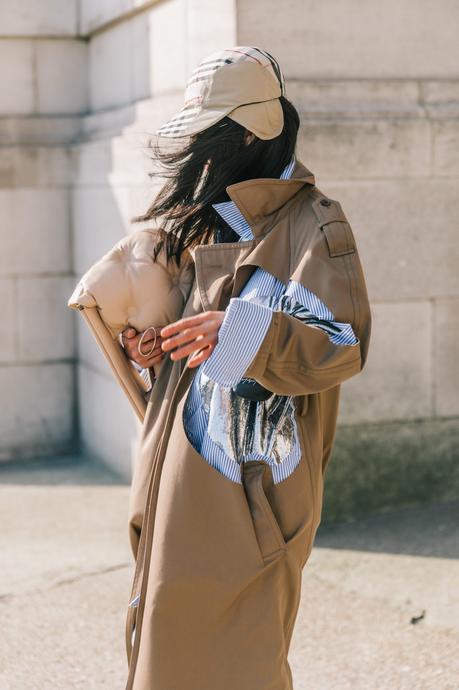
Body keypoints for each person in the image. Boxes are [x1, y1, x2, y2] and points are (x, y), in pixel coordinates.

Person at [121, 46, 371, 690]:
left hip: (252, 502)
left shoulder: (317, 225)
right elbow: (200, 359)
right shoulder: (206, 225)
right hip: (180, 488)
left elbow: (339, 345)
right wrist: (156, 351)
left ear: (248, 134)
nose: (200, 153)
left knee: (241, 666)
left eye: (212, 134)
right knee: (164, 654)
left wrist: (243, 330)